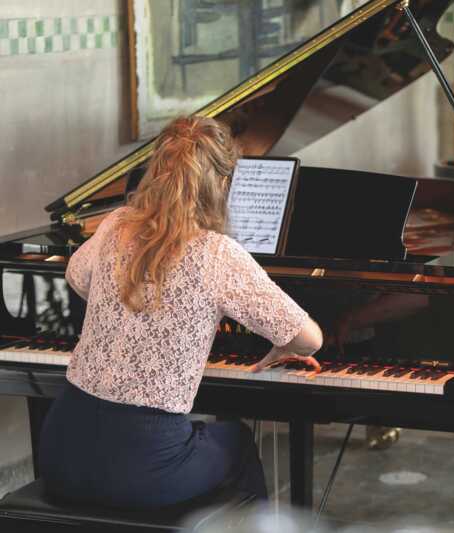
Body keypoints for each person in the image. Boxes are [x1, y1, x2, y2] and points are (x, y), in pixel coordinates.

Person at [38, 115, 323, 509]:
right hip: (142, 466)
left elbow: (77, 276)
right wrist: (278, 345)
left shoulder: (116, 223)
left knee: (202, 440)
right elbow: (308, 339)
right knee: (236, 442)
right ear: (222, 184)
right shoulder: (216, 252)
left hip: (61, 451)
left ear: (155, 172)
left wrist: (128, 312)